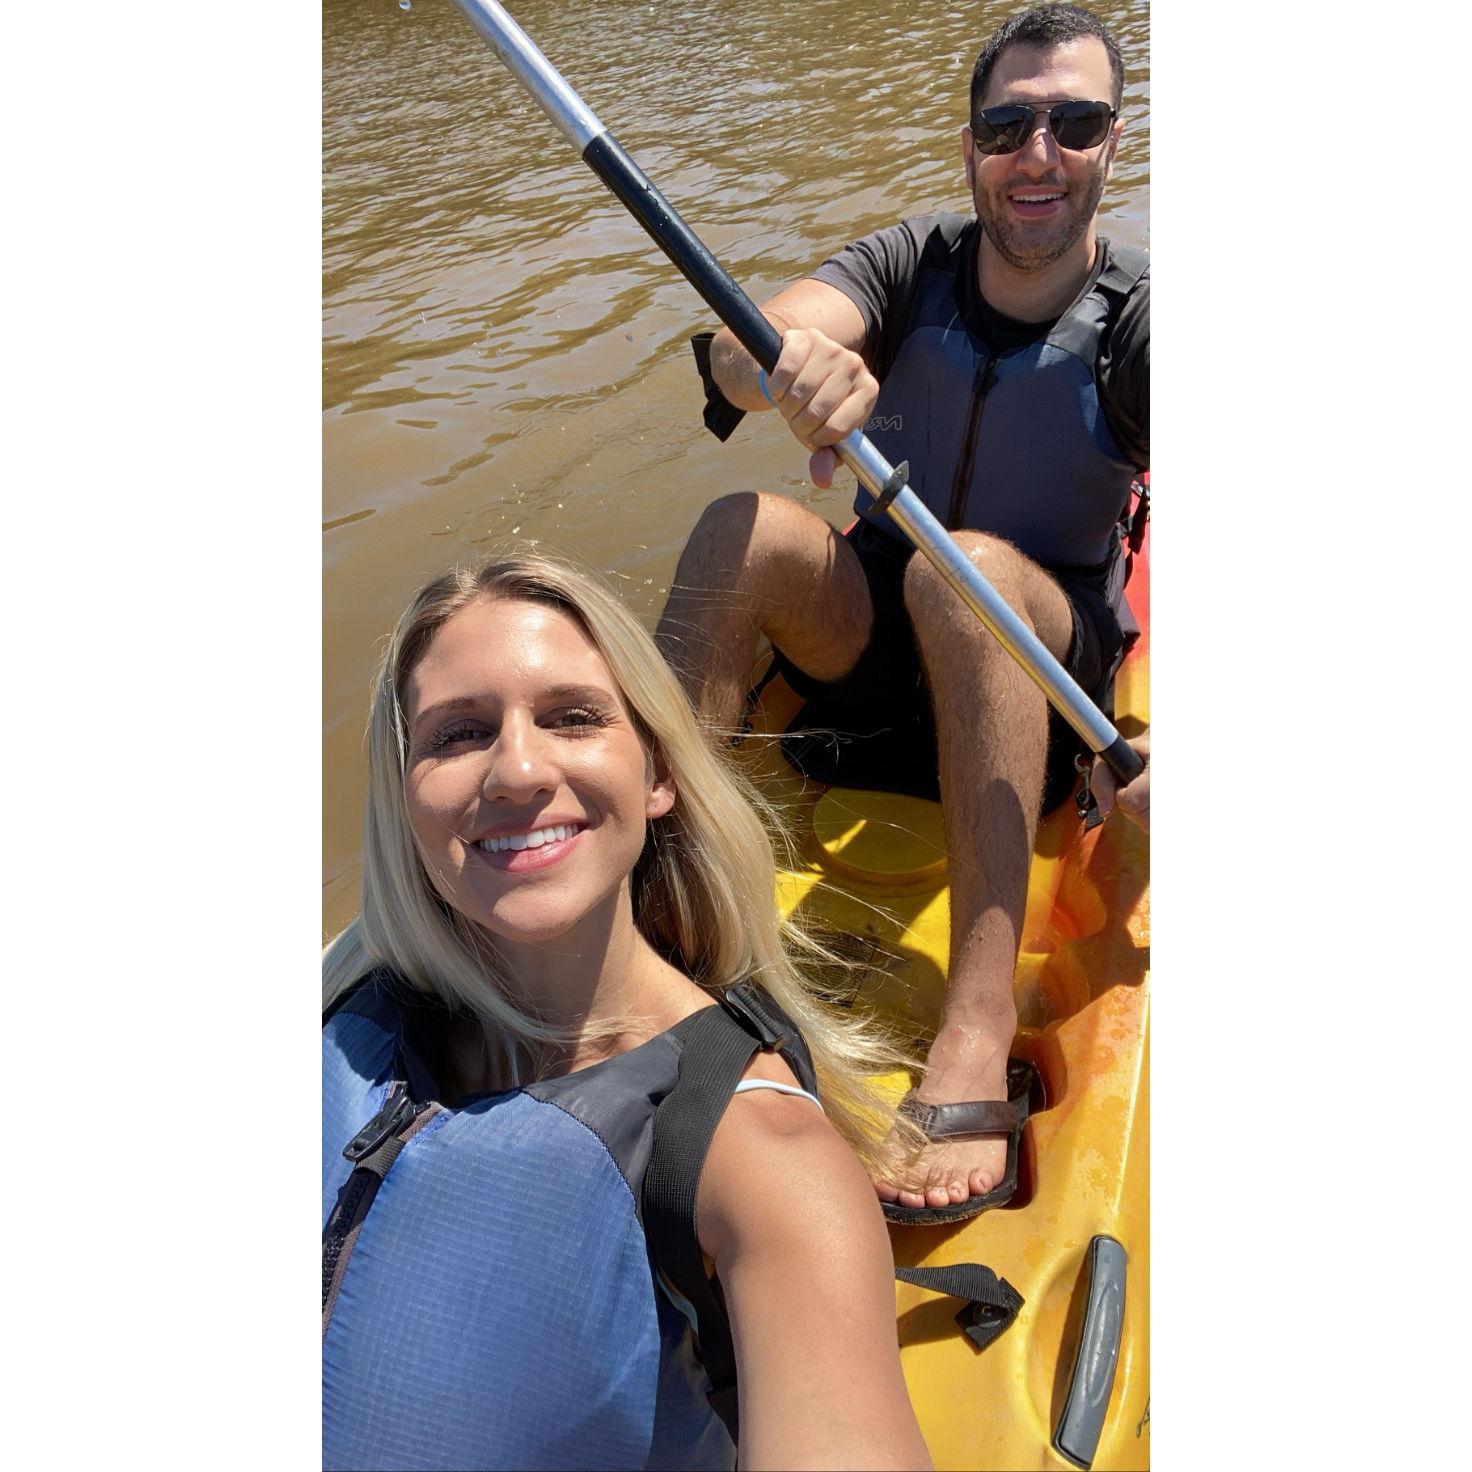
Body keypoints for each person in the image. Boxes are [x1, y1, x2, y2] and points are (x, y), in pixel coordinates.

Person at [656, 3, 1148, 1221]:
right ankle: (645, 920)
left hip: (1035, 669)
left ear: (1110, 144)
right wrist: (778, 361)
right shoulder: (906, 261)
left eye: (1071, 123)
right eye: (1007, 123)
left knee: (963, 570)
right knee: (743, 525)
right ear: (969, 143)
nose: (1037, 152)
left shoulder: (1136, 326)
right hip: (879, 648)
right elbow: (742, 341)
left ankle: (970, 1037)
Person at [322, 553, 935, 1471]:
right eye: (458, 734)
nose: (517, 768)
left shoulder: (759, 1162)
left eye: (573, 717)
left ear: (658, 775)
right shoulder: (355, 1010)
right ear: (404, 796)